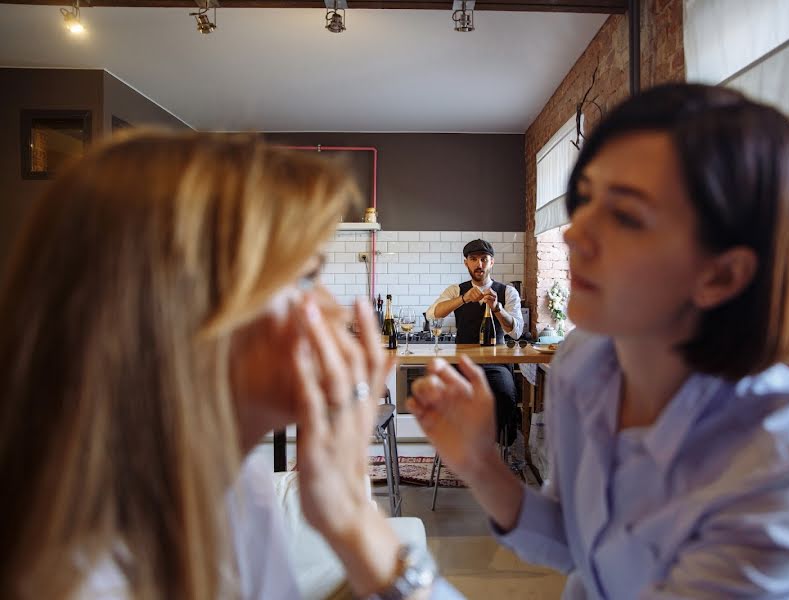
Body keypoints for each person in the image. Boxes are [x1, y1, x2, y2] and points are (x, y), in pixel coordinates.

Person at [410, 83, 789, 598]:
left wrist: (379, 558)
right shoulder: (585, 361)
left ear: (722, 274)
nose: (574, 234)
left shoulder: (782, 464)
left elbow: (516, 328)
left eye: (626, 215)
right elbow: (578, 545)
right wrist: (478, 465)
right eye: (587, 198)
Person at [0, 130, 460, 599]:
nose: (336, 311)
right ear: (185, 311)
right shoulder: (76, 579)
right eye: (306, 277)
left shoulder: (240, 491)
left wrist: (352, 516)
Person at [426, 239, 524, 445]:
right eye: (473, 259)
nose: (479, 264)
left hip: (496, 365)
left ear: (492, 262)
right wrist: (463, 299)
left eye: (483, 259)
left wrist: (497, 308)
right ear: (466, 263)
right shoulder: (456, 290)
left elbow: (516, 333)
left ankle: (498, 448)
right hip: (462, 364)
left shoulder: (507, 292)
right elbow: (432, 315)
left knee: (504, 395)